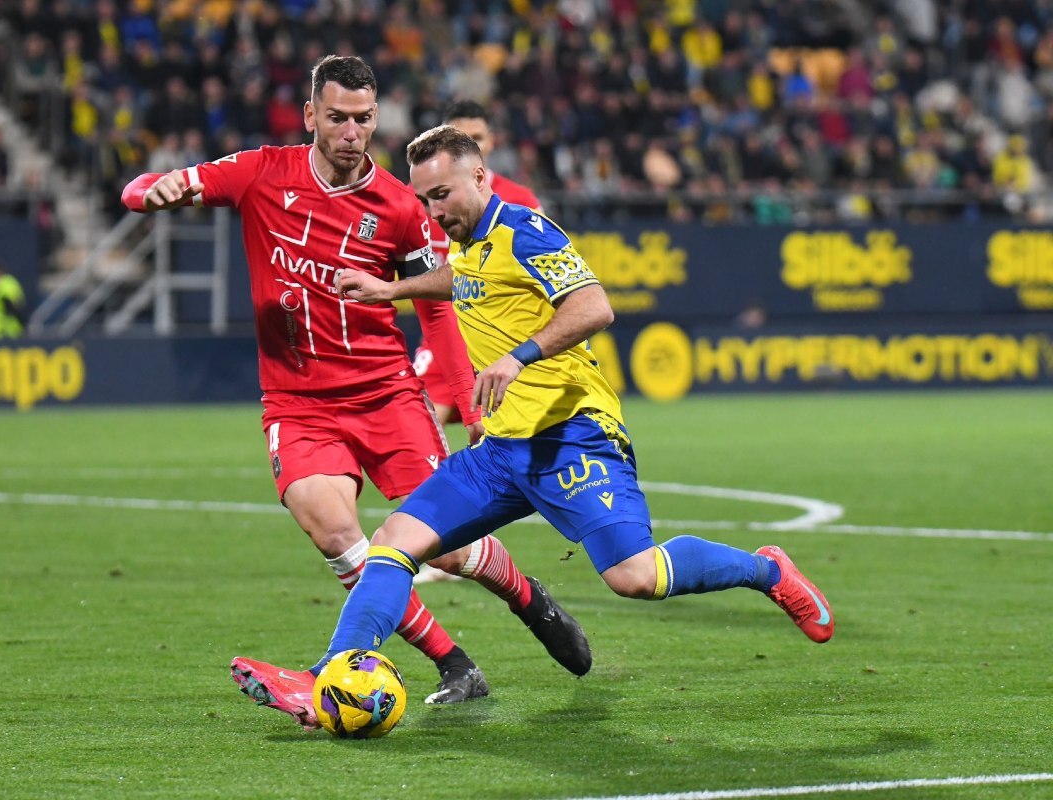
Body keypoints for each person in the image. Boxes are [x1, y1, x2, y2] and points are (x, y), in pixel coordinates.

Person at [232, 126, 835, 730]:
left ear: (479, 176)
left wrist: (518, 356)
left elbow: (595, 305)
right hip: (498, 453)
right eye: (424, 200)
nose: (434, 212)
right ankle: (327, 675)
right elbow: (465, 279)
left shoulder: (527, 230)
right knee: (393, 543)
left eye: (442, 194)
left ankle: (769, 571)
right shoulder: (467, 243)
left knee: (634, 576)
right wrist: (393, 288)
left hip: (571, 437)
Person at [119, 57, 590, 712]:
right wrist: (151, 194)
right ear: (310, 115)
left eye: (363, 119)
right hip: (298, 401)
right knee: (334, 530)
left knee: (446, 549)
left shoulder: (400, 206)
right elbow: (146, 183)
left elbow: (435, 308)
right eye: (336, 117)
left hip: (385, 396)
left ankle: (527, 598)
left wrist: (464, 395)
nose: (351, 131)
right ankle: (452, 662)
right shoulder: (260, 173)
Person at [413, 99, 543, 429]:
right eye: (460, 138)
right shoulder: (418, 199)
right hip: (445, 339)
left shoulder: (521, 200)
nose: (470, 147)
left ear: (492, 142)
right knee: (419, 429)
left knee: (504, 440)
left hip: (502, 340)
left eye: (478, 138)